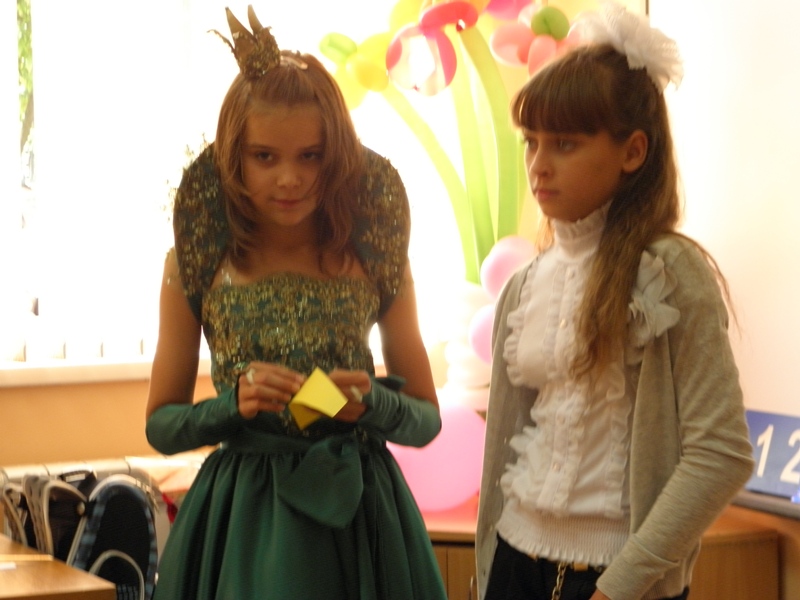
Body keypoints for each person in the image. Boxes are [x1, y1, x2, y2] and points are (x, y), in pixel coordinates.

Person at [144, 6, 447, 599]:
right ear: (233, 156)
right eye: (265, 156)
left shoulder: (373, 255)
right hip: (244, 520)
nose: (289, 178)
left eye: (310, 155)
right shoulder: (197, 263)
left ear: (338, 153)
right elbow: (161, 425)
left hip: (360, 516)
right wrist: (232, 406)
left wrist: (372, 402)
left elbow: (427, 419)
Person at [475, 3, 755, 600]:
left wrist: (620, 587)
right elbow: (504, 446)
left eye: (565, 144)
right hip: (515, 563)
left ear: (632, 152)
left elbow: (720, 453)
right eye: (531, 143)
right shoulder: (525, 284)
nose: (539, 166)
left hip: (617, 579)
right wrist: (488, 567)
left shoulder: (669, 271)